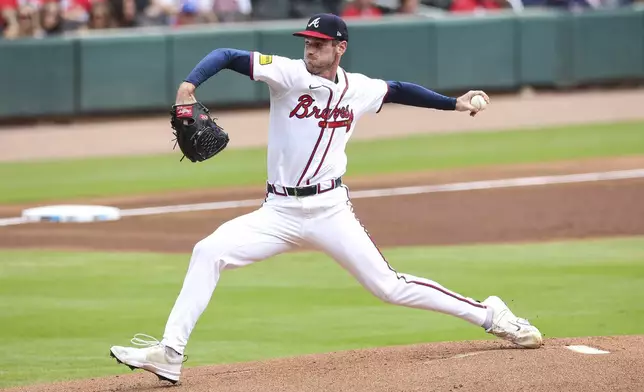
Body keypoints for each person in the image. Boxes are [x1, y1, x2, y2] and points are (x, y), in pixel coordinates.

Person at [109, 13, 543, 384]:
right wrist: (189, 87)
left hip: (330, 211)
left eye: (318, 44)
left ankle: (492, 315)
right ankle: (170, 353)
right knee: (209, 252)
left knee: (390, 287)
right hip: (277, 213)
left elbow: (398, 89)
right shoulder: (286, 74)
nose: (309, 50)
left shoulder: (360, 89)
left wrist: (454, 103)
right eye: (307, 42)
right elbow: (224, 55)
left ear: (340, 48)